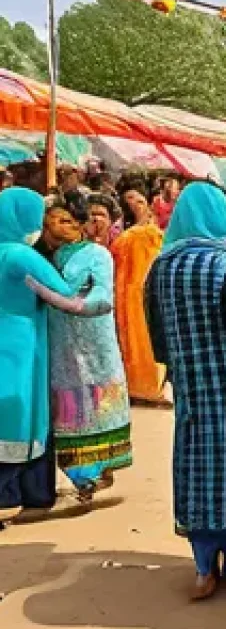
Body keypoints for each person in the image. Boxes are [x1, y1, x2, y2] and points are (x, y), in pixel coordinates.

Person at [144, 183, 226, 600]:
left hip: (192, 386)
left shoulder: (161, 267)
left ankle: (204, 566)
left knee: (197, 465)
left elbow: (158, 336)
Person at [0, 189, 93, 514]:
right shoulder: (20, 255)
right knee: (20, 415)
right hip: (20, 343)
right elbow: (63, 292)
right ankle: (11, 493)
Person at [46, 209, 132, 500]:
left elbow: (103, 294)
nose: (58, 227)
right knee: (70, 407)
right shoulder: (46, 256)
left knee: (98, 400)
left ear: (81, 224)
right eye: (51, 222)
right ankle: (82, 476)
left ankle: (98, 471)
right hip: (61, 342)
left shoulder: (98, 254)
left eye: (65, 220)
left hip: (94, 339)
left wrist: (76, 304)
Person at [112, 186, 167, 406]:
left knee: (146, 339)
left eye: (139, 199)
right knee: (133, 340)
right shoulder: (125, 236)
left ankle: (152, 386)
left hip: (146, 291)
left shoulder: (151, 233)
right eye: (130, 199)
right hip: (127, 292)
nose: (136, 203)